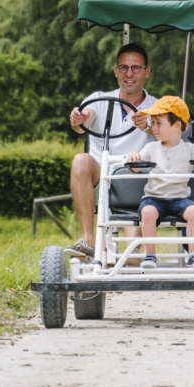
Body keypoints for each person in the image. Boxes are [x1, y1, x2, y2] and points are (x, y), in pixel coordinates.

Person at [65, 43, 157, 260]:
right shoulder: (99, 99)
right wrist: (80, 118)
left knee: (139, 166)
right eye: (123, 68)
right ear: (116, 71)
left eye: (136, 68)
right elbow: (83, 119)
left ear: (147, 71)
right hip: (102, 174)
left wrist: (148, 125)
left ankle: (132, 246)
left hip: (139, 175)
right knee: (80, 160)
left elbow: (170, 134)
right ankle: (89, 242)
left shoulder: (157, 106)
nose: (129, 74)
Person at [126, 96, 194, 269]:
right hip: (154, 197)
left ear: (177, 126)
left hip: (180, 198)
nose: (154, 128)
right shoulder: (151, 147)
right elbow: (134, 168)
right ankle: (150, 255)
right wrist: (133, 158)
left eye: (159, 123)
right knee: (148, 212)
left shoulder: (189, 148)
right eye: (153, 123)